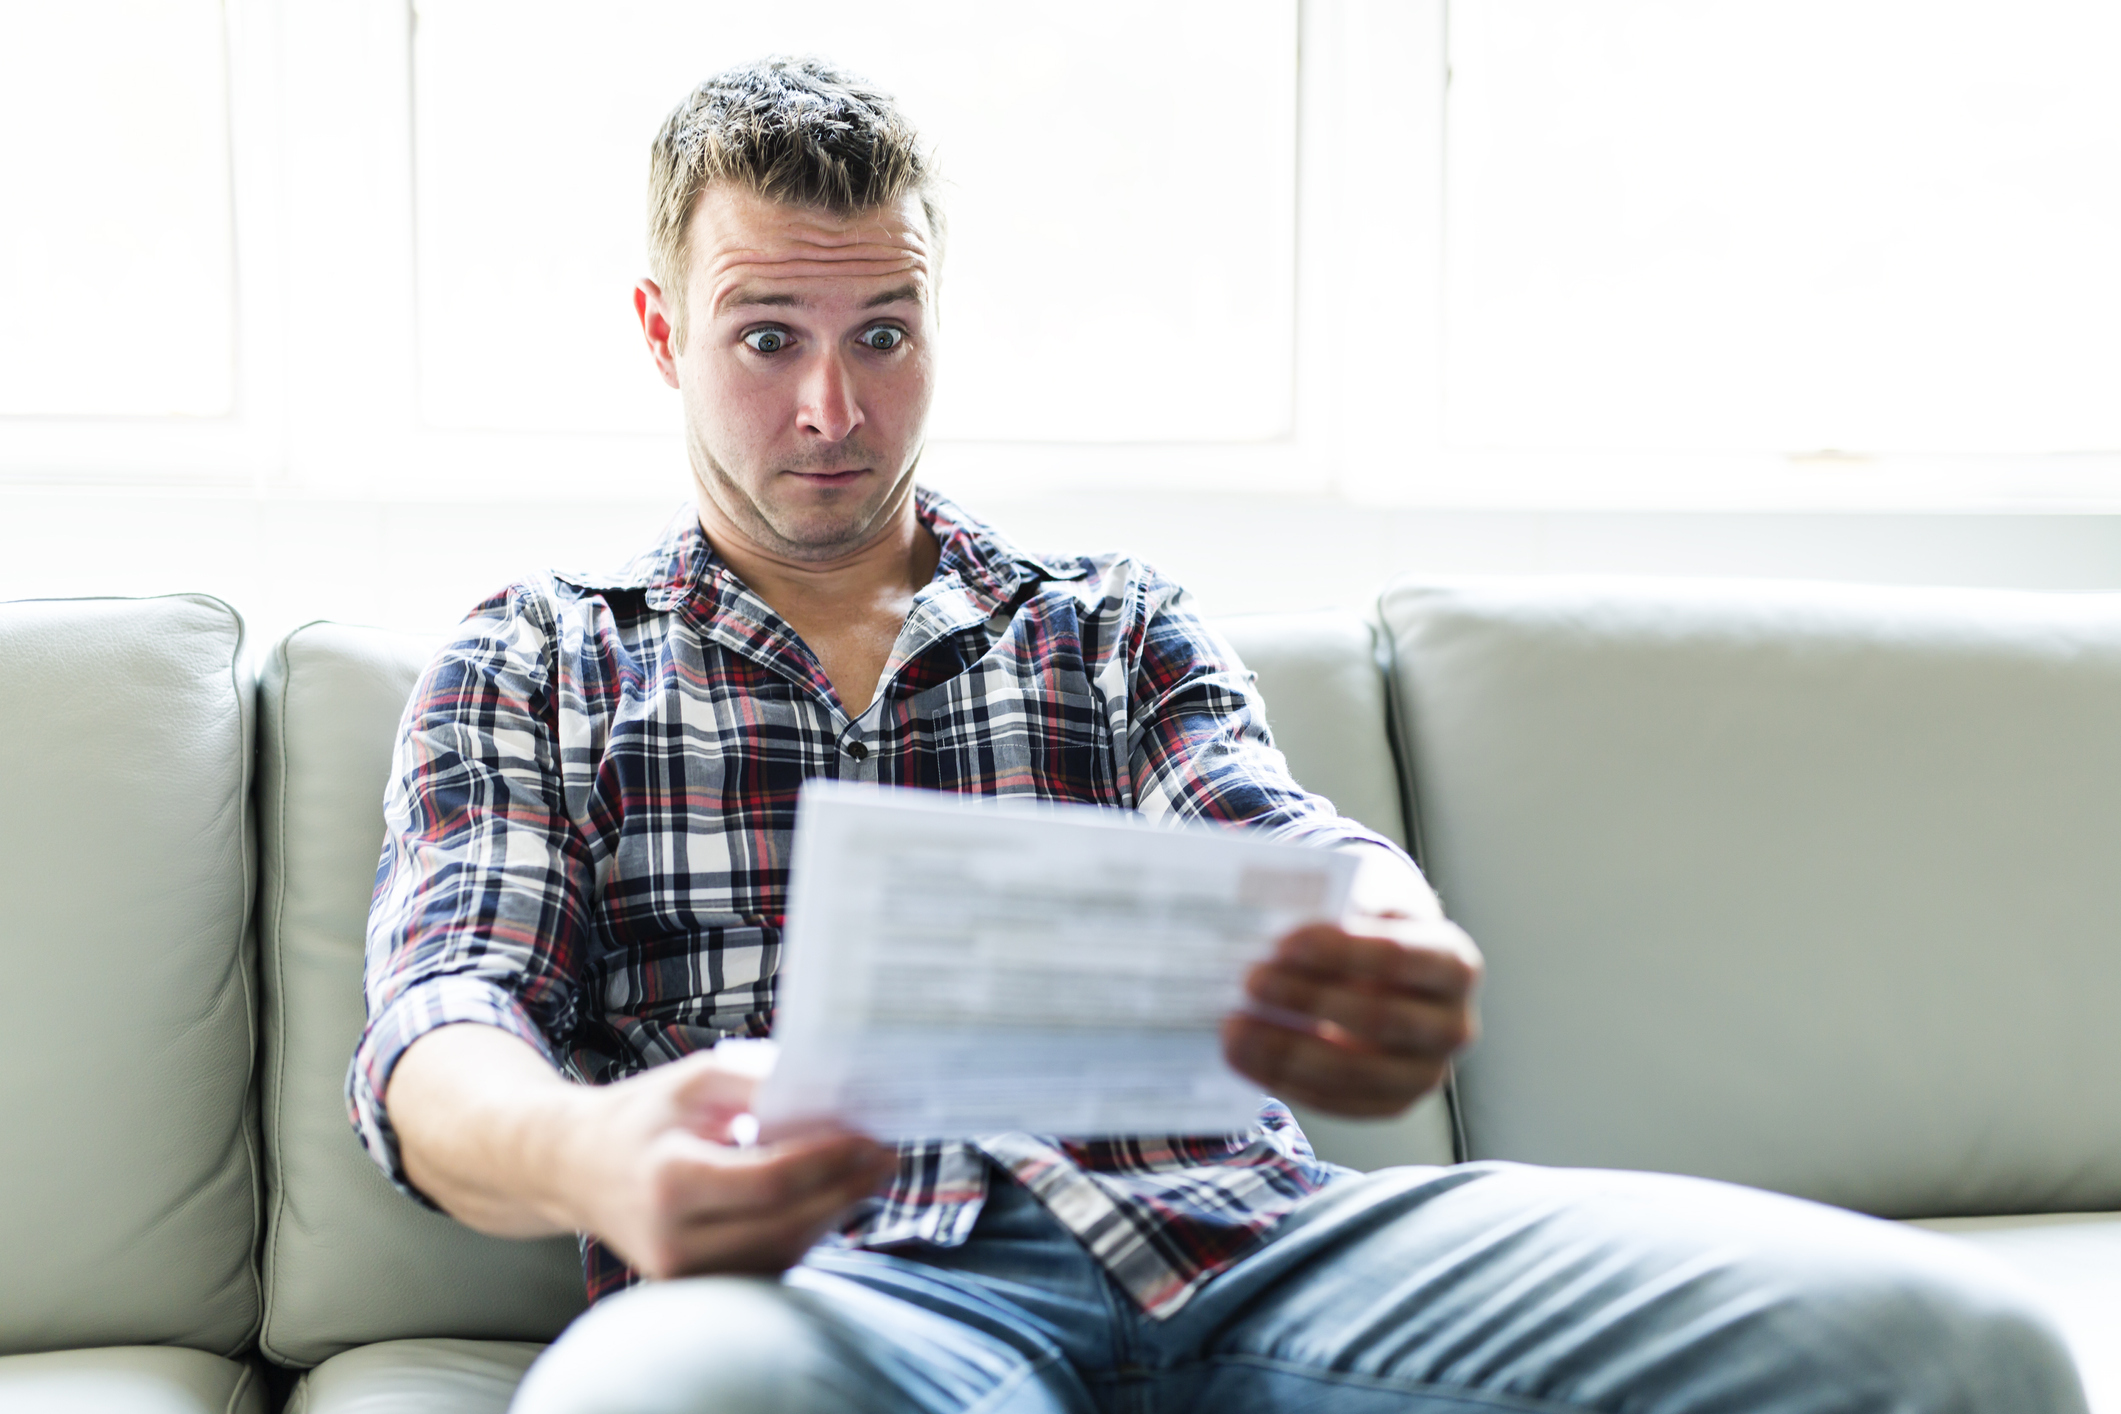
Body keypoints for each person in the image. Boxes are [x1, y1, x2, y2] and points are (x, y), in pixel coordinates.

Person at [353, 57, 2084, 1414]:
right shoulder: (542, 657)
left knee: (1959, 1357)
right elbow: (442, 1027)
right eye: (765, 339)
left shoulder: (1100, 620)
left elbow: (1280, 835)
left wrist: (1382, 929)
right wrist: (594, 1150)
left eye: (883, 334)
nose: (832, 407)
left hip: (1247, 1247)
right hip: (834, 1297)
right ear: (663, 335)